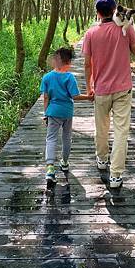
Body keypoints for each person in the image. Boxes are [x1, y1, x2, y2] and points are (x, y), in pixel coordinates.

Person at [82, 0, 135, 189]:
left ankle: (101, 160)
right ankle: (116, 175)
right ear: (115, 9)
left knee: (101, 127)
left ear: (98, 13)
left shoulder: (90, 33)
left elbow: (87, 64)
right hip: (123, 89)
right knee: (121, 131)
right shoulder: (126, 28)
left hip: (100, 90)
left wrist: (89, 87)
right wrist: (131, 29)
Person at [40, 46, 92, 183]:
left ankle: (50, 167)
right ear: (68, 62)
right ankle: (64, 162)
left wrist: (46, 114)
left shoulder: (47, 77)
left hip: (52, 112)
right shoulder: (69, 78)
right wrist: (88, 97)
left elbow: (46, 98)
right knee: (66, 137)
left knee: (51, 138)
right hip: (67, 112)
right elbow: (75, 96)